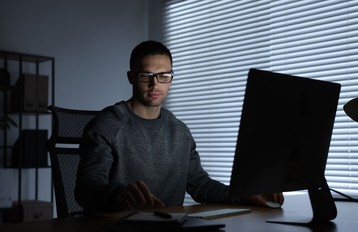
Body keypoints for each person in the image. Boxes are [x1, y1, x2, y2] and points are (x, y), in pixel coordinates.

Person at [75, 40, 284, 214]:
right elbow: (86, 189)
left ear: (171, 79)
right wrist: (118, 196)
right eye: (146, 75)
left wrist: (246, 195)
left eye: (163, 76)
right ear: (131, 77)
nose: (155, 84)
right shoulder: (107, 124)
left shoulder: (180, 132)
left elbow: (201, 185)